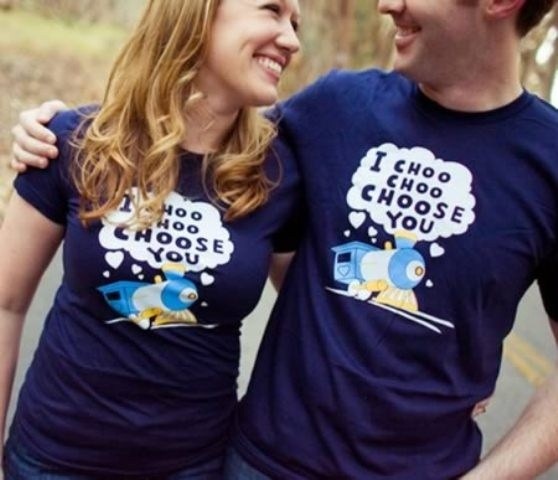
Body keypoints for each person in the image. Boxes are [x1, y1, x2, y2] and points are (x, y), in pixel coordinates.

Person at [11, 0, 558, 478]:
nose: (386, 4)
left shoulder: (549, 161)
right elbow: (197, 131)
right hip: (255, 463)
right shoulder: (334, 107)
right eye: (274, 11)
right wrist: (53, 130)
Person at [1, 0, 301, 478]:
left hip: (192, 466)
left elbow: (317, 313)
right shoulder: (71, 141)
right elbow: (6, 303)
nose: (292, 40)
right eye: (272, 10)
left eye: (296, 23)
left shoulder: (277, 174)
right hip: (52, 460)